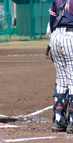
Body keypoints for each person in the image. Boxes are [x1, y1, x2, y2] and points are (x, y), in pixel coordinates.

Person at [49, 0, 73, 134]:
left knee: (62, 80)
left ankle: (58, 120)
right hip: (71, 35)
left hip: (56, 37)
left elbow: (51, 19)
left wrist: (51, 44)